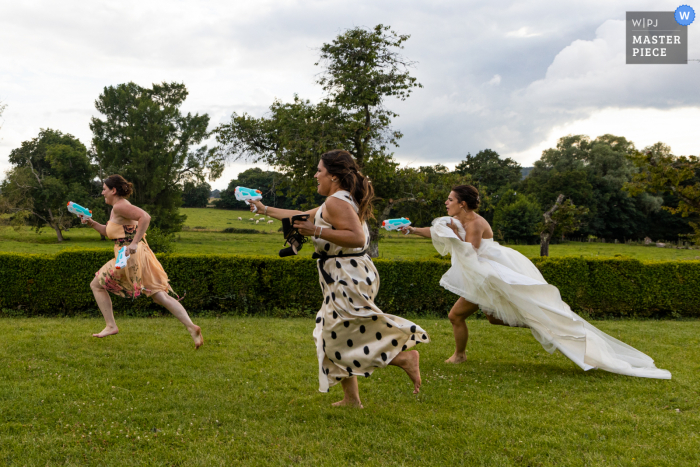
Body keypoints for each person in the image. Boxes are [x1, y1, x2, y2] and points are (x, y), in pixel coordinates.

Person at [402, 185, 670, 379]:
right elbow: (440, 231)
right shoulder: (456, 219)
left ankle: (525, 324)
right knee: (488, 318)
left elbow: (469, 249)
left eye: (450, 199)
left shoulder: (474, 222)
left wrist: (450, 234)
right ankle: (474, 348)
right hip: (480, 275)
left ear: (462, 203)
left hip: (490, 273)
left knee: (456, 315)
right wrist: (413, 229)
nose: (446, 203)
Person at [249, 150, 430, 407]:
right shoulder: (337, 200)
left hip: (348, 273)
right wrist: (264, 209)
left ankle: (403, 359)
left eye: (319, 171)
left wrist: (316, 231)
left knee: (340, 331)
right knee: (331, 332)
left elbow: (357, 237)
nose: (315, 175)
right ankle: (351, 398)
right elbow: (302, 216)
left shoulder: (336, 202)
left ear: (333, 176)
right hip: (344, 272)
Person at [83, 174, 203, 349]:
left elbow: (145, 217)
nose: (102, 193)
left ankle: (111, 325)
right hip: (137, 254)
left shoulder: (120, 206)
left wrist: (134, 242)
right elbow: (111, 232)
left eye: (104, 189)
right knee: (159, 295)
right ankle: (192, 327)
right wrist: (92, 223)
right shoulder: (119, 208)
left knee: (97, 285)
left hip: (128, 255)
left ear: (113, 190)